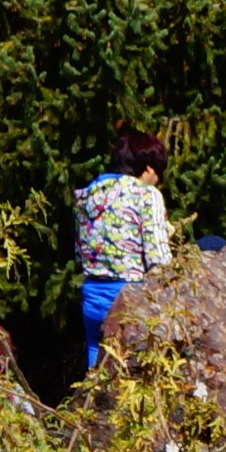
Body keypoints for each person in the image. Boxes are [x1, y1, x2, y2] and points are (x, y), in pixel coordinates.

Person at [74, 128, 171, 368]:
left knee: (96, 360)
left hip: (93, 294)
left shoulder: (87, 194)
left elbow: (80, 251)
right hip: (129, 296)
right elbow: (158, 259)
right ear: (148, 168)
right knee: (130, 372)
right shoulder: (147, 195)